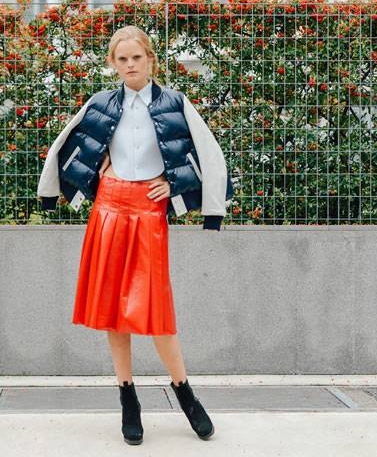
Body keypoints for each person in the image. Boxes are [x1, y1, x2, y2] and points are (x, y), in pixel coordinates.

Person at [37, 25, 233, 445]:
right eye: (122, 59)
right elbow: (71, 147)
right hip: (109, 208)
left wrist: (174, 184)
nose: (130, 65)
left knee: (156, 310)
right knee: (113, 309)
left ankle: (185, 393)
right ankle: (128, 398)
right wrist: (90, 174)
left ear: (150, 59)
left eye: (136, 58)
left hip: (148, 212)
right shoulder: (100, 103)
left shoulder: (175, 102)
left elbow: (205, 152)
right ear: (113, 63)